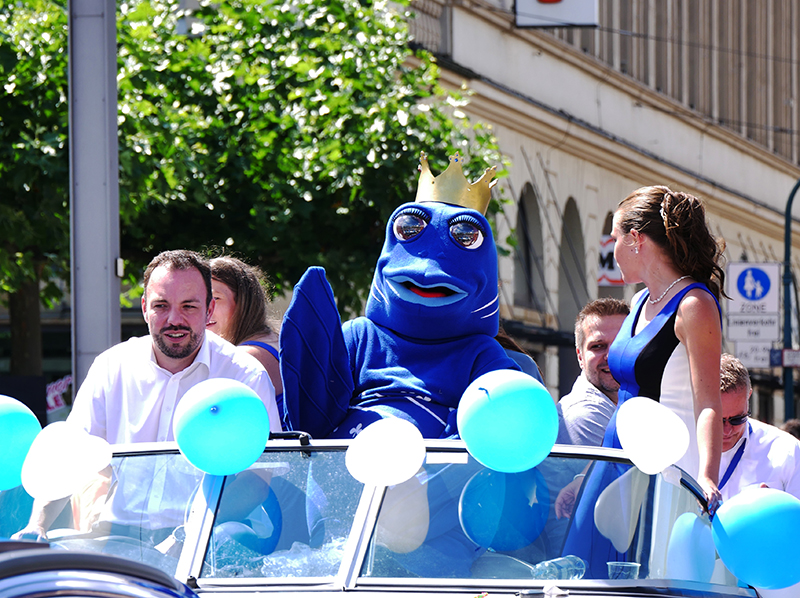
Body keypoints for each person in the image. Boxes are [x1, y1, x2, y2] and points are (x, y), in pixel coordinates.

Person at [16, 250, 281, 541]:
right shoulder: (111, 366)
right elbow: (71, 456)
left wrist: (190, 537)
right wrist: (36, 526)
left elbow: (259, 477)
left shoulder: (245, 375)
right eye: (161, 305)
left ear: (208, 311)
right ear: (144, 308)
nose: (174, 319)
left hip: (210, 542)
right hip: (120, 538)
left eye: (188, 306)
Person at [560, 186, 726, 578]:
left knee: (649, 576)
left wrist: (706, 476)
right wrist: (587, 476)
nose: (612, 248)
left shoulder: (694, 305)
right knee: (590, 576)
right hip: (615, 459)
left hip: (665, 467)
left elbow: (709, 403)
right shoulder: (636, 303)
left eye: (615, 237)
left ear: (636, 240)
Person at [718, 353, 800, 501]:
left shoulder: (787, 450)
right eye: (717, 421)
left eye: (737, 419)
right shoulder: (680, 446)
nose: (727, 430)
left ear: (748, 396)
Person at [208, 255, 283, 403]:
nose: (206, 309)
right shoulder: (273, 338)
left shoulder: (244, 358)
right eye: (199, 300)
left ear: (243, 303)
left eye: (216, 298)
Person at [556, 298, 629, 446]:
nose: (610, 356)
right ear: (580, 356)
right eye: (598, 346)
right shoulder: (584, 415)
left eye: (620, 343)